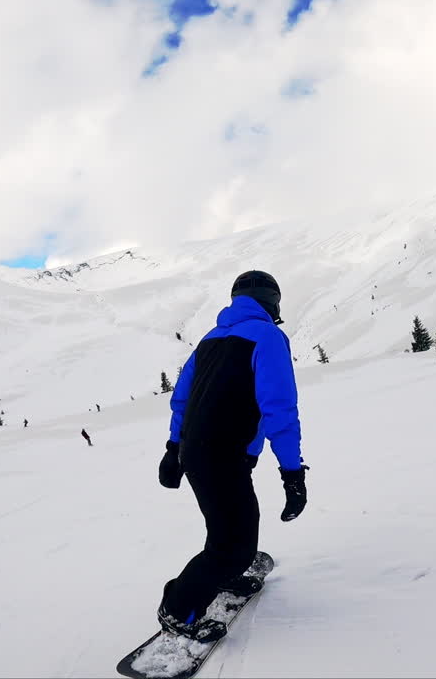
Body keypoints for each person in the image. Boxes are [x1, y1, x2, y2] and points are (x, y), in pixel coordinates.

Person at [154, 270, 308, 642]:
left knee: (235, 528)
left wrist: (174, 449)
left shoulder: (210, 339)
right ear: (273, 301)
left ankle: (228, 574)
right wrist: (292, 473)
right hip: (222, 455)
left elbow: (182, 400)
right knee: (232, 546)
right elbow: (280, 410)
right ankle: (177, 610)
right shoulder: (269, 337)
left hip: (202, 452)